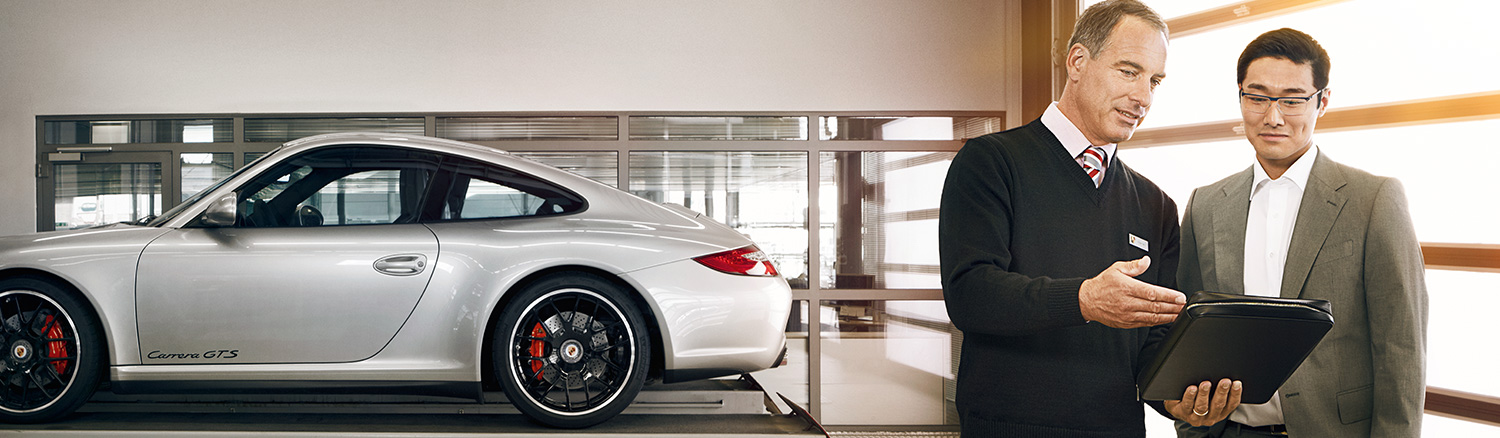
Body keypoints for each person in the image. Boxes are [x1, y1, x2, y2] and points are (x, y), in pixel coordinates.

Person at [940, 1, 1239, 436]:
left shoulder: (1155, 204)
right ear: (1078, 61)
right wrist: (1084, 300)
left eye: (1154, 81)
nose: (1144, 98)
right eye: (1128, 71)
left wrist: (1179, 401)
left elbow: (1152, 342)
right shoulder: (991, 163)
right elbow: (970, 294)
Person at [1174, 28, 1428, 437]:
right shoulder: (1205, 204)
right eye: (1257, 97)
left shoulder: (1374, 199)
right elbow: (1189, 334)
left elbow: (1401, 349)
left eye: (1292, 100)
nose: (1272, 117)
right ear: (1240, 97)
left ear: (1322, 101)